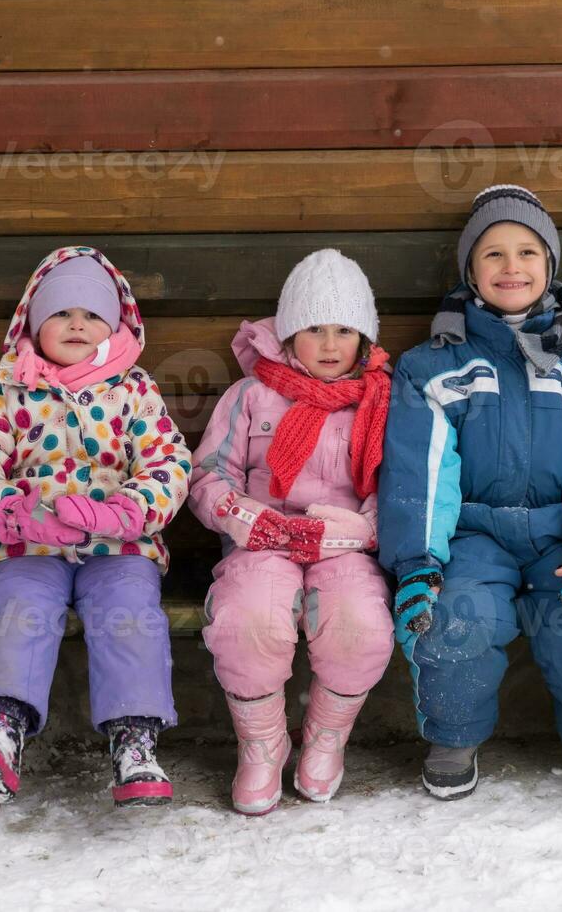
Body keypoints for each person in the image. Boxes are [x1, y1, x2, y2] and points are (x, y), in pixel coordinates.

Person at [378, 184, 562, 800]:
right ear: (470, 270)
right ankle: (453, 734)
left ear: (549, 266)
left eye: (527, 251)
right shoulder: (435, 365)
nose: (511, 267)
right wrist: (419, 561)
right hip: (473, 533)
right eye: (492, 254)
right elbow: (421, 469)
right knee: (452, 618)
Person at [0, 246, 190, 807]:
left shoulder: (134, 388)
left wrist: (129, 510)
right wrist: (6, 510)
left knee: (129, 615)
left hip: (120, 545)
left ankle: (135, 741)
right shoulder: (9, 388)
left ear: (114, 325)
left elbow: (168, 461)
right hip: (29, 541)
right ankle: (0, 733)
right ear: (33, 322)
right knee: (18, 609)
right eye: (60, 312)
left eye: (91, 314)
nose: (76, 322)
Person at [189, 249, 394, 815]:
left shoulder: (382, 401)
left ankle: (327, 738)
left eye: (344, 330)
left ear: (365, 336)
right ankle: (261, 744)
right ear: (286, 334)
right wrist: (243, 516)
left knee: (361, 624)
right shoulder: (251, 395)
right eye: (314, 329)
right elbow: (208, 473)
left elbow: (402, 484)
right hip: (262, 542)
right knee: (247, 619)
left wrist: (367, 525)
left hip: (346, 547)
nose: (330, 345)